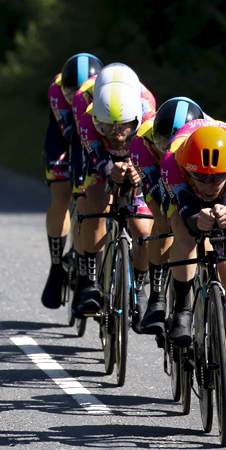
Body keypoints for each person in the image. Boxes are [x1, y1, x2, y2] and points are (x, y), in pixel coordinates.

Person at [160, 120, 226, 407]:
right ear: (190, 169)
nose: (210, 184)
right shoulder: (171, 163)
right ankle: (182, 307)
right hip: (183, 193)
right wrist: (195, 219)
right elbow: (186, 209)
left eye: (217, 177)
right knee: (185, 235)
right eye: (201, 177)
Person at [72, 64, 156, 320]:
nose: (116, 133)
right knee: (97, 207)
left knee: (143, 231)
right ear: (97, 117)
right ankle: (92, 282)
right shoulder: (87, 119)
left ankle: (139, 288)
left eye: (123, 127)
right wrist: (112, 172)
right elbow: (97, 159)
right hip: (101, 162)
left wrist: (136, 172)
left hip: (137, 160)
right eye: (107, 126)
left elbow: (152, 158)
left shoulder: (149, 117)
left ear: (136, 119)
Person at [129, 97, 205, 334]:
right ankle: (157, 296)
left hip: (194, 168)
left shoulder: (207, 131)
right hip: (155, 169)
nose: (169, 149)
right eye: (164, 143)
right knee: (164, 219)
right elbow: (164, 199)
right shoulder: (143, 140)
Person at [41, 53, 102, 310]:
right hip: (65, 139)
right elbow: (70, 133)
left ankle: (86, 263)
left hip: (95, 137)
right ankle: (57, 267)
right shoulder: (56, 90)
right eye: (70, 92)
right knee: (63, 192)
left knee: (92, 200)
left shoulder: (103, 95)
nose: (74, 97)